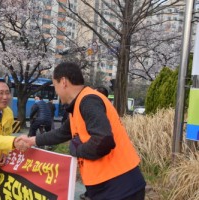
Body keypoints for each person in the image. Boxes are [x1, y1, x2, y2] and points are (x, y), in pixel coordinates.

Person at [20, 62, 146, 200]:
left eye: (55, 86)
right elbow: (62, 132)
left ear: (63, 82)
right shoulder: (79, 104)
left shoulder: (88, 101)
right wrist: (32, 140)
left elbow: (103, 140)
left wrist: (77, 150)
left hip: (119, 186)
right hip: (109, 184)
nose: (56, 91)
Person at [80, 85, 108, 200]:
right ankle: (89, 193)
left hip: (97, 149)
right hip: (93, 147)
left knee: (95, 173)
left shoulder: (98, 108)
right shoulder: (101, 107)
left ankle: (90, 194)